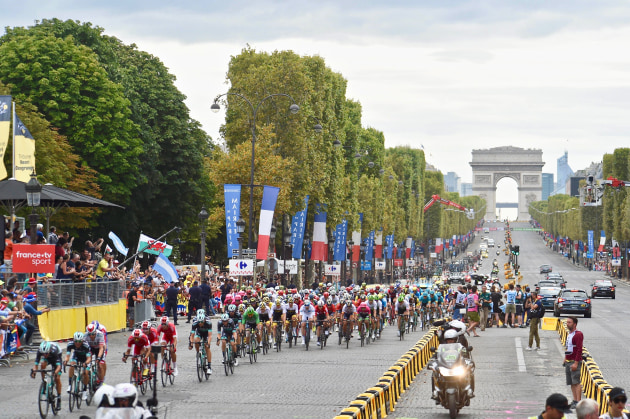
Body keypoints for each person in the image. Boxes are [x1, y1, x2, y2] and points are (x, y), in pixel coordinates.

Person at [31, 341, 64, 411]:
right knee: (42, 364)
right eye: (43, 354)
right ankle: (44, 381)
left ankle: (59, 398)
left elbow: (59, 366)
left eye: (46, 353)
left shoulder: (54, 352)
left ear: (49, 350)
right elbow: (36, 364)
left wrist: (55, 372)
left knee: (57, 378)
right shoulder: (40, 351)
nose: (45, 355)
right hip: (48, 359)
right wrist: (34, 371)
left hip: (56, 357)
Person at [564, 316, 584, 409]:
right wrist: (565, 358)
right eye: (567, 322)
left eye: (569, 322)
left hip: (574, 361)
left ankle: (579, 402)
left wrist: (576, 363)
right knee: (571, 382)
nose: (567, 324)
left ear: (574, 324)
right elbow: (569, 347)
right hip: (568, 361)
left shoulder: (578, 334)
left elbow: (579, 349)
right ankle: (575, 400)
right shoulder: (570, 334)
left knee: (576, 382)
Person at [189, 309, 212, 375]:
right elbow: (192, 335)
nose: (200, 324)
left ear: (204, 320)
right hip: (199, 333)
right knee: (196, 340)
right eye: (199, 322)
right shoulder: (195, 322)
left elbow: (210, 335)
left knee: (207, 347)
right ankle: (198, 352)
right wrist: (191, 343)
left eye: (201, 322)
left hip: (206, 334)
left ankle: (209, 367)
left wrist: (208, 342)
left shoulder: (208, 322)